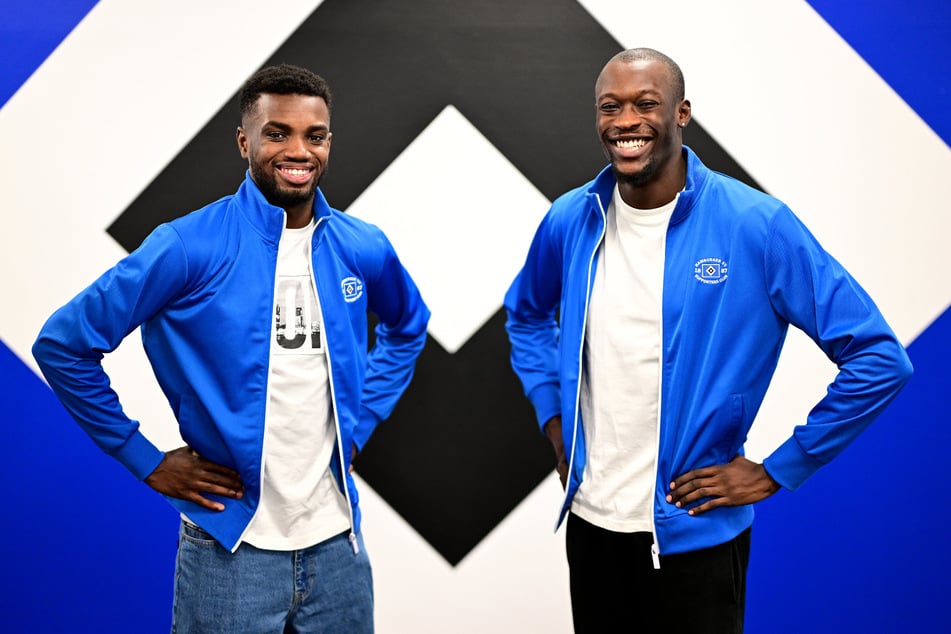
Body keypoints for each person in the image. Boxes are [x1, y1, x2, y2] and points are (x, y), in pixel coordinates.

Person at [503, 48, 913, 633]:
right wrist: (553, 417)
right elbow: (527, 315)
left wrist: (778, 469)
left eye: (646, 104)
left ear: (682, 113)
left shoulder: (755, 224)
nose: (626, 121)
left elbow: (878, 359)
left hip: (696, 540)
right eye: (609, 107)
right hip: (592, 530)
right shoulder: (573, 217)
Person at [32, 64, 430, 633]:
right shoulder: (188, 246)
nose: (298, 150)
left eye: (314, 136)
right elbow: (63, 345)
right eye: (277, 133)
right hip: (231, 550)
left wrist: (358, 422)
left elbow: (407, 325)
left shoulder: (359, 244)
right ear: (244, 140)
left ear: (328, 143)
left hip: (339, 547)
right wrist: (144, 459)